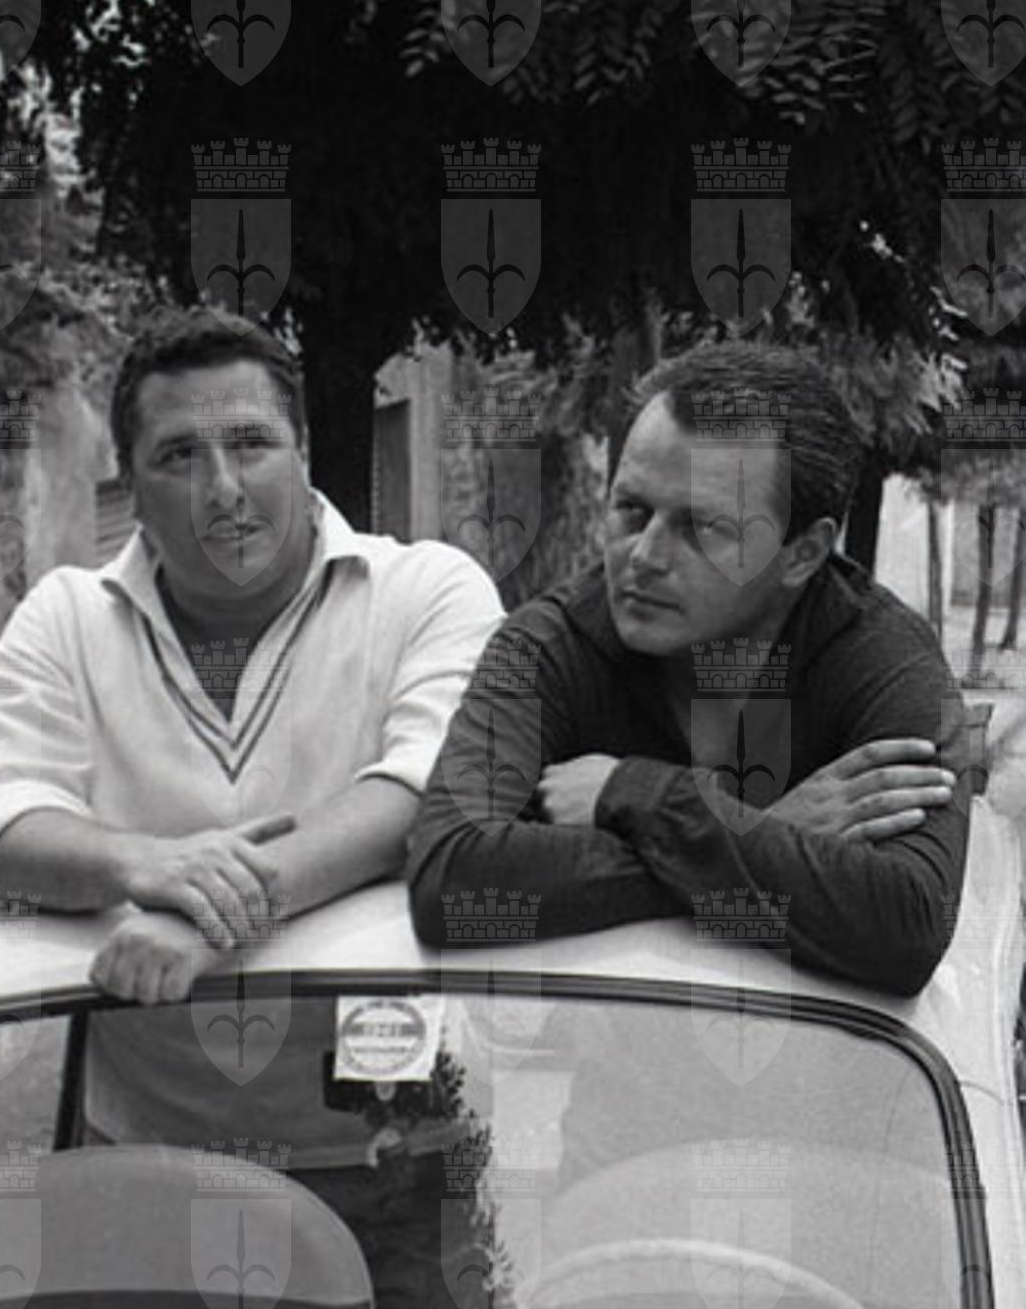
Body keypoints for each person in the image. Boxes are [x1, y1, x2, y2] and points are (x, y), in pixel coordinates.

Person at [0, 304, 505, 1309]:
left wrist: (211, 915)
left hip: (399, 1158)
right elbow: (3, 822)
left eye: (250, 444)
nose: (221, 488)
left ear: (303, 453)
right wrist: (150, 864)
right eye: (178, 456)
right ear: (131, 486)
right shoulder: (65, 617)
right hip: (144, 1162)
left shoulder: (426, 592)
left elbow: (431, 793)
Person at [407, 342, 970, 997]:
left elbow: (908, 925)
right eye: (632, 510)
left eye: (702, 529)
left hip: (825, 1059)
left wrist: (637, 794)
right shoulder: (548, 645)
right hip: (599, 1054)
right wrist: (763, 831)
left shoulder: (881, 659)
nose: (643, 556)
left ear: (802, 553)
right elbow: (450, 879)